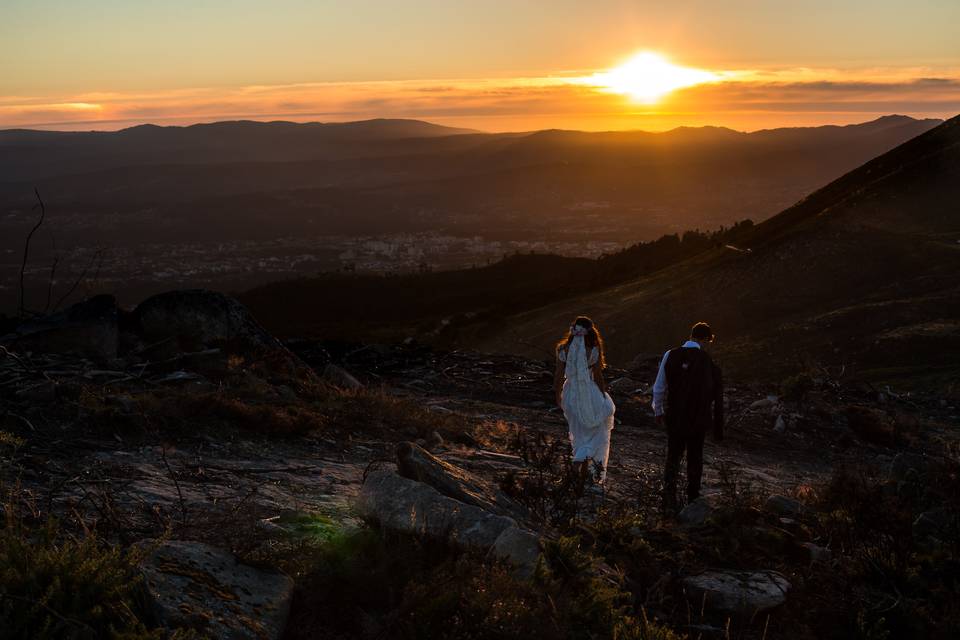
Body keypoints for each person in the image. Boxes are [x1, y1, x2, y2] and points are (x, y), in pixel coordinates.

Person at [652, 322, 724, 511]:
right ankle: (693, 496)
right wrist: (716, 424)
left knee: (673, 455)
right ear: (706, 339)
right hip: (698, 418)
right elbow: (713, 393)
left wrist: (658, 410)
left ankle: (669, 495)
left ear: (691, 335)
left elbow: (660, 386)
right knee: (695, 456)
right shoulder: (706, 360)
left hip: (675, 414)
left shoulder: (670, 354)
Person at [554, 316, 616, 488]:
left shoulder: (563, 349)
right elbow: (597, 376)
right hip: (590, 393)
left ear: (573, 330)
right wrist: (602, 396)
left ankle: (576, 474)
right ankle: (581, 473)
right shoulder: (594, 349)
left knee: (578, 434)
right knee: (594, 433)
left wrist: (557, 395)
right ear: (590, 331)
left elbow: (558, 376)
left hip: (570, 394)